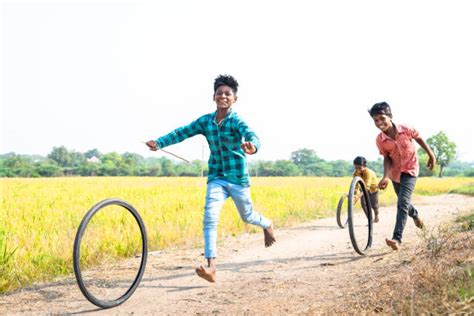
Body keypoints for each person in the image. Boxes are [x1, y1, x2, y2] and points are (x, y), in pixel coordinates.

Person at [145, 74, 276, 282]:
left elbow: (252, 135)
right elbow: (183, 132)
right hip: (216, 177)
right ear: (213, 97)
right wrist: (159, 142)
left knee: (247, 216)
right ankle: (211, 267)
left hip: (237, 178)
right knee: (210, 218)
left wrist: (252, 146)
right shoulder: (206, 121)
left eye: (227, 94)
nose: (223, 96)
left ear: (234, 99)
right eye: (219, 93)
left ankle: (267, 224)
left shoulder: (236, 121)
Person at [369, 102, 436, 250]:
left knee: (402, 203)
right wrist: (386, 176)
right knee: (403, 202)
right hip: (395, 173)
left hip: (410, 170)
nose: (379, 122)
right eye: (375, 120)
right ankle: (415, 215)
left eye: (382, 118)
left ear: (390, 116)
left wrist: (431, 154)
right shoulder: (380, 140)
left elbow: (419, 138)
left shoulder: (406, 129)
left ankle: (397, 239)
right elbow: (386, 157)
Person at [352, 156, 380, 223]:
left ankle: (376, 215)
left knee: (374, 205)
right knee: (363, 204)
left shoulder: (368, 173)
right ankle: (370, 220)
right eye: (356, 167)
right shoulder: (355, 173)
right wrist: (355, 194)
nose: (358, 169)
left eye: (360, 168)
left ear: (364, 166)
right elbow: (355, 186)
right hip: (363, 189)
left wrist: (357, 197)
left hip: (373, 189)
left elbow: (367, 187)